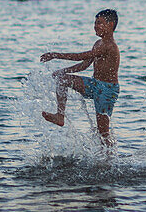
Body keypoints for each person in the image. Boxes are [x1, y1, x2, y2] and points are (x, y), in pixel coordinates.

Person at [40, 9, 120, 148]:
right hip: (94, 85)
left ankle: (110, 160)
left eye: (99, 23)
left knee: (103, 133)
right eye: (94, 23)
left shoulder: (110, 46)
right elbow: (85, 64)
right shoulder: (98, 43)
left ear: (110, 25)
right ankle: (60, 116)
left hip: (107, 90)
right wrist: (63, 71)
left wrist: (56, 55)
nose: (95, 26)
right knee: (62, 79)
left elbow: (82, 55)